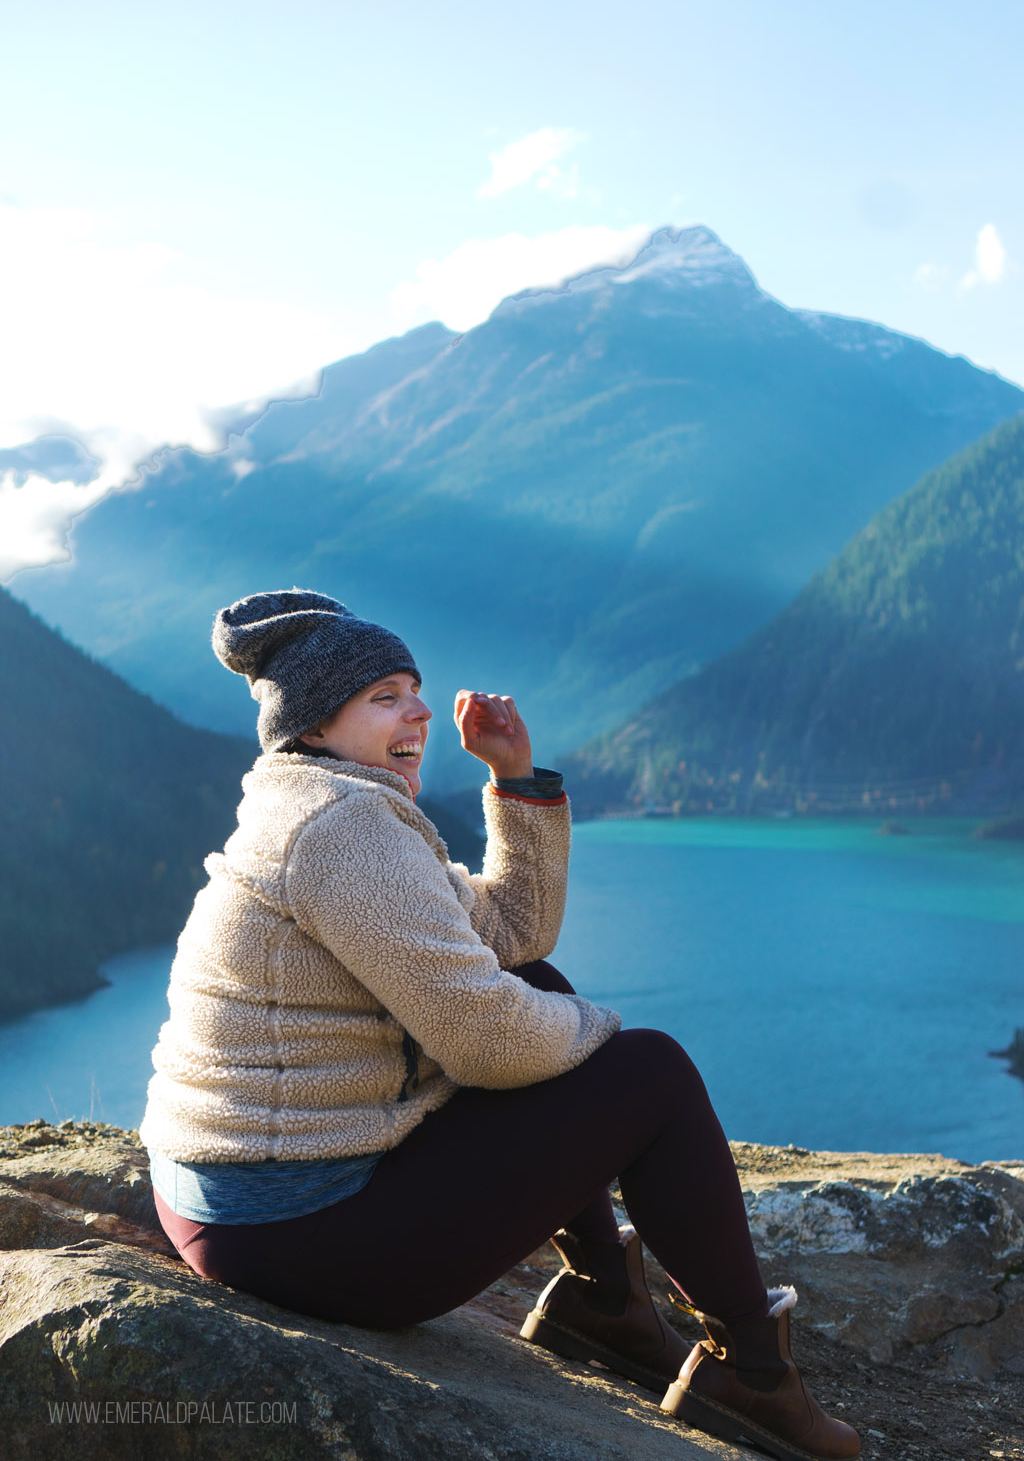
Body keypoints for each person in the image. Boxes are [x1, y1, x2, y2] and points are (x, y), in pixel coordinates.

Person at [140, 589, 860, 1461]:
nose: (417, 711)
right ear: (316, 727)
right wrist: (602, 1043)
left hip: (246, 1204)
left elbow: (513, 936)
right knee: (653, 1074)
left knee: (540, 988)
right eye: (383, 697)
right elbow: (486, 1044)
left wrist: (513, 782)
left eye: (412, 687)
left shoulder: (321, 802)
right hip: (289, 1229)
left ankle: (603, 1305)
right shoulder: (342, 827)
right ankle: (751, 1371)